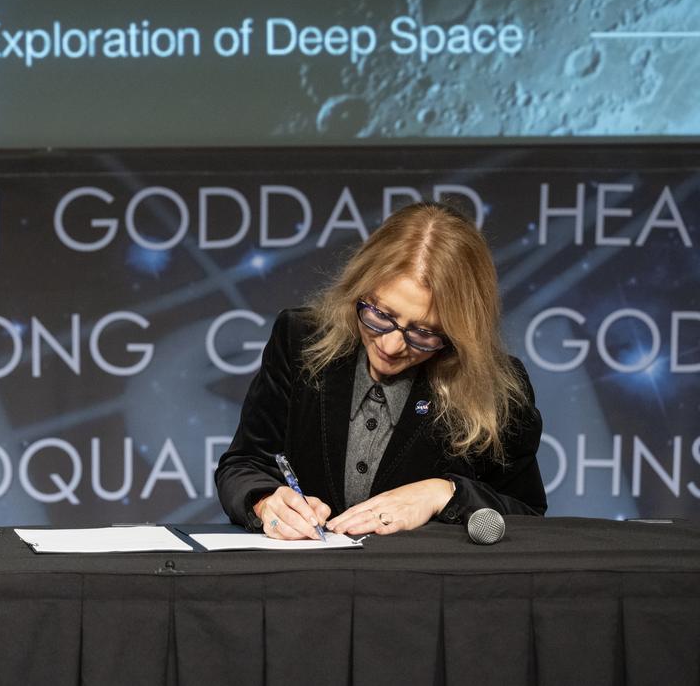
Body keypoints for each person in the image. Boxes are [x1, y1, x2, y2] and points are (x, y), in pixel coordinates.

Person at [215, 201, 545, 539]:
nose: (390, 346)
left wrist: (444, 494)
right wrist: (265, 501)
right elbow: (244, 465)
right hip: (306, 581)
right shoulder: (299, 339)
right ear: (360, 286)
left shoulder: (497, 389)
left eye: (423, 333)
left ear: (459, 332)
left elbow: (527, 517)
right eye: (379, 315)